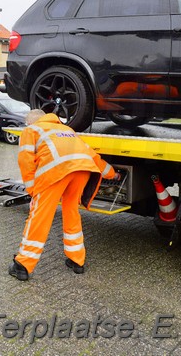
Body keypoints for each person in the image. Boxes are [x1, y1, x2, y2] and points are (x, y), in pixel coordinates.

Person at [9, 109, 120, 281]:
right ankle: (77, 260)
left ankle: (23, 265)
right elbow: (92, 156)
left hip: (55, 173)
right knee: (71, 212)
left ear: (31, 122)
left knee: (40, 216)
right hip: (82, 172)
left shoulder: (31, 130)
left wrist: (32, 190)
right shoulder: (67, 131)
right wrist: (112, 173)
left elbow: (25, 161)